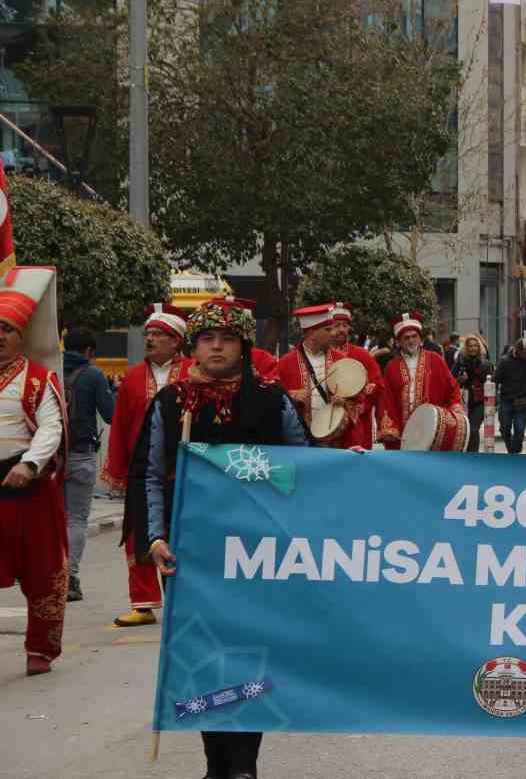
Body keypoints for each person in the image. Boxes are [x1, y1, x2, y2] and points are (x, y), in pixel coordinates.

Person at [141, 297, 306, 778]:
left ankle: (245, 764)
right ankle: (216, 760)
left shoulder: (271, 401)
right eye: (207, 339)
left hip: (258, 554)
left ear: (244, 346)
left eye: (227, 339)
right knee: (204, 657)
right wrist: (155, 538)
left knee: (250, 657)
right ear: (194, 346)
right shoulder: (171, 403)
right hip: (190, 556)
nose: (216, 347)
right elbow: (150, 476)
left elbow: (306, 470)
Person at [0, 267, 69, 676]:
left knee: (43, 570)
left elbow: (51, 427)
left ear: (22, 336)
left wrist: (29, 464)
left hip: (26, 484)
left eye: (6, 330)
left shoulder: (39, 379)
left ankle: (41, 648)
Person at [104, 304, 189, 627]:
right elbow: (121, 424)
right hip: (142, 469)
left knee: (179, 534)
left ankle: (182, 599)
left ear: (176, 341)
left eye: (158, 335)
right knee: (139, 534)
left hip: (183, 466)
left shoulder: (194, 372)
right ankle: (142, 603)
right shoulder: (133, 377)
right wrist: (117, 467)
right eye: (148, 334)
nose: (149, 339)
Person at [273, 302, 377, 451]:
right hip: (301, 443)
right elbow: (275, 398)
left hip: (338, 442)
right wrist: (292, 396)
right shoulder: (285, 363)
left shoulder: (341, 361)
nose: (333, 333)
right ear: (312, 333)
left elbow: (360, 401)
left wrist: (345, 402)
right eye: (328, 329)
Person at [61, 326, 115, 604]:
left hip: (49, 458)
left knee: (51, 518)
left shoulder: (47, 369)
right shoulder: (93, 375)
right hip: (81, 455)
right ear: (90, 351)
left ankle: (47, 574)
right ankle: (69, 578)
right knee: (77, 518)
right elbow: (112, 413)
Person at [382, 311, 469, 450]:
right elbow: (386, 400)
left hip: (433, 431)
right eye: (406, 337)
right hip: (403, 434)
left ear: (420, 338)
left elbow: (452, 388)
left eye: (414, 336)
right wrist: (389, 429)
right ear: (398, 341)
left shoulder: (435, 359)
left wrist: (455, 409)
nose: (411, 340)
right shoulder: (391, 368)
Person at [327, 303, 401, 449]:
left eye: (345, 325)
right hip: (326, 426)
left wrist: (352, 401)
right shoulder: (322, 355)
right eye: (337, 325)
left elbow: (378, 385)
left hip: (357, 429)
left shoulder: (362, 355)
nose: (342, 329)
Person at [493, 339, 526, 455]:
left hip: (522, 401)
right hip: (506, 400)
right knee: (505, 427)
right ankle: (512, 450)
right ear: (518, 350)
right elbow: (495, 380)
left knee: (520, 430)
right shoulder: (505, 361)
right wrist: (494, 400)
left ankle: (514, 453)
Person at [451, 334, 492, 451]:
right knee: (465, 430)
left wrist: (494, 404)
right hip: (464, 401)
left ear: (479, 347)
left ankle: (473, 455)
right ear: (466, 347)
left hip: (480, 402)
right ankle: (467, 454)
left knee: (473, 429)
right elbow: (450, 381)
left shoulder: (486, 364)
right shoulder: (460, 361)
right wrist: (460, 380)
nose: (473, 348)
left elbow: (492, 384)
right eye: (470, 346)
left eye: (475, 346)